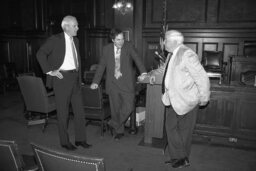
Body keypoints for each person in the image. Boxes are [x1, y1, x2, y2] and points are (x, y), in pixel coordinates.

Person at [149, 30, 210, 168]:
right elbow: (165, 69)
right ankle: (180, 156)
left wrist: (204, 97)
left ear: (174, 41)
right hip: (172, 99)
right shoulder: (171, 53)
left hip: (186, 99)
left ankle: (181, 158)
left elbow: (201, 77)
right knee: (171, 127)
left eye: (165, 40)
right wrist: (152, 73)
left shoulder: (187, 54)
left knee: (184, 131)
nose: (163, 42)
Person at [36, 15, 91, 150]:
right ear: (66, 26)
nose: (78, 28)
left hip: (75, 79)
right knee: (63, 113)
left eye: (77, 25)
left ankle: (80, 139)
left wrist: (80, 79)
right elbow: (40, 54)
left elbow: (77, 61)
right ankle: (64, 141)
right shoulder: (55, 39)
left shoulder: (76, 40)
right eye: (75, 26)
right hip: (62, 79)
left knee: (79, 111)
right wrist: (50, 71)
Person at [90, 28, 147, 140]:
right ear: (112, 40)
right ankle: (118, 131)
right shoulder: (106, 49)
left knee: (129, 106)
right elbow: (101, 66)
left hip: (127, 84)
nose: (121, 42)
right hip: (113, 84)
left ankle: (112, 124)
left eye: (122, 39)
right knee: (115, 109)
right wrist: (95, 82)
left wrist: (144, 72)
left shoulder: (129, 46)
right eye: (118, 40)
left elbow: (137, 59)